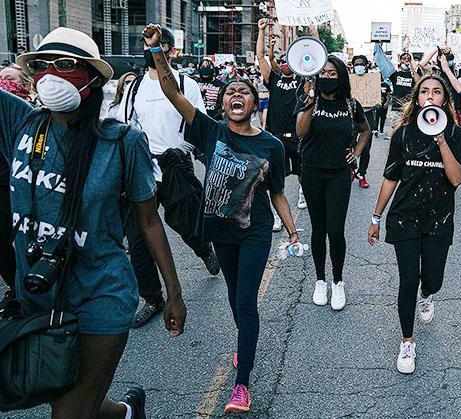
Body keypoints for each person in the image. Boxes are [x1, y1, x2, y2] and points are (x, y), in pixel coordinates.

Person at [4, 27, 186, 417]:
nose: (51, 73)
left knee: (69, 414)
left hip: (99, 295)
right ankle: (122, 413)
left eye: (66, 64)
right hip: (37, 293)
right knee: (61, 392)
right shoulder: (21, 124)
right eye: (42, 64)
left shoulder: (122, 142)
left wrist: (173, 291)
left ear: (92, 77)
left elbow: (149, 221)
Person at [143, 23, 299, 413]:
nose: (235, 95)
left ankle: (242, 384)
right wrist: (158, 50)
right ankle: (245, 342)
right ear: (223, 102)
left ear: (254, 102)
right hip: (220, 232)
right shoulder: (210, 132)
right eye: (230, 91)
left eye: (243, 92)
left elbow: (276, 191)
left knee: (246, 301)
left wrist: (293, 230)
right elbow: (171, 91)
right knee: (234, 296)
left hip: (255, 232)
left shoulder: (271, 146)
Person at [117, 26, 219, 329]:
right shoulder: (134, 86)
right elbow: (124, 124)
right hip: (141, 169)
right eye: (148, 46)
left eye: (159, 45)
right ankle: (152, 298)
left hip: (176, 165)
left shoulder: (185, 83)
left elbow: (196, 123)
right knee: (137, 238)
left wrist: (180, 151)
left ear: (169, 50)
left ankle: (204, 251)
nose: (152, 50)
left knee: (188, 223)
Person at [368, 75, 461, 374]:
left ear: (444, 100)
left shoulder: (454, 134)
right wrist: (376, 218)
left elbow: (456, 179)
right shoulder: (403, 134)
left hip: (439, 217)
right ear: (417, 97)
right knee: (408, 280)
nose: (430, 96)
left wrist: (439, 137)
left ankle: (428, 295)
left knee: (432, 280)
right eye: (424, 91)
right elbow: (390, 177)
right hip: (405, 216)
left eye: (436, 92)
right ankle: (407, 341)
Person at [295, 56, 371, 310]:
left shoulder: (351, 104)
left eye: (332, 73)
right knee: (318, 229)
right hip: (312, 172)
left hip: (339, 174)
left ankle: (337, 281)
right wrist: (309, 100)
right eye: (323, 73)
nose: (327, 77)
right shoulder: (309, 101)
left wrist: (357, 152)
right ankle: (320, 280)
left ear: (341, 76)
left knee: (335, 230)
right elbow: (301, 132)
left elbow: (365, 130)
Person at [257, 18, 308, 217]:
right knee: (277, 177)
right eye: (282, 60)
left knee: (302, 170)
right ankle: (278, 214)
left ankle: (303, 194)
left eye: (289, 60)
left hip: (298, 134)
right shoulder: (273, 78)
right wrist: (261, 31)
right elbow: (261, 57)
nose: (286, 64)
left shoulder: (302, 80)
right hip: (276, 134)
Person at [0, 63, 32, 311]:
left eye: (10, 80)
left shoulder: (30, 116)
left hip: (22, 190)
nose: (5, 84)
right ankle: (15, 286)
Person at [351, 55, 377, 189]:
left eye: (361, 64)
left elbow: (378, 98)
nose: (359, 66)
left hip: (367, 115)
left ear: (366, 66)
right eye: (356, 64)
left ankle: (362, 174)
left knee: (366, 149)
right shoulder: (348, 80)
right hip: (351, 115)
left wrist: (378, 101)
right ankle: (350, 170)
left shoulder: (372, 80)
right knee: (349, 145)